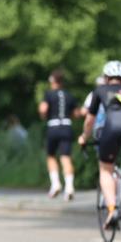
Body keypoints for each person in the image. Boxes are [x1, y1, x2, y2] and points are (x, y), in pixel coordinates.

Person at [79, 61, 121, 228]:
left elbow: (90, 120)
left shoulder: (100, 90)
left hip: (112, 130)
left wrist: (84, 137)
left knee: (106, 168)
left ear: (106, 78)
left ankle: (112, 209)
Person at [39, 69, 80, 200]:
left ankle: (56, 184)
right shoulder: (69, 95)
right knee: (65, 157)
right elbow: (76, 113)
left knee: (51, 156)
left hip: (53, 126)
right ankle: (69, 187)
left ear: (52, 81)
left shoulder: (49, 94)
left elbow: (43, 109)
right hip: (67, 126)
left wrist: (43, 115)